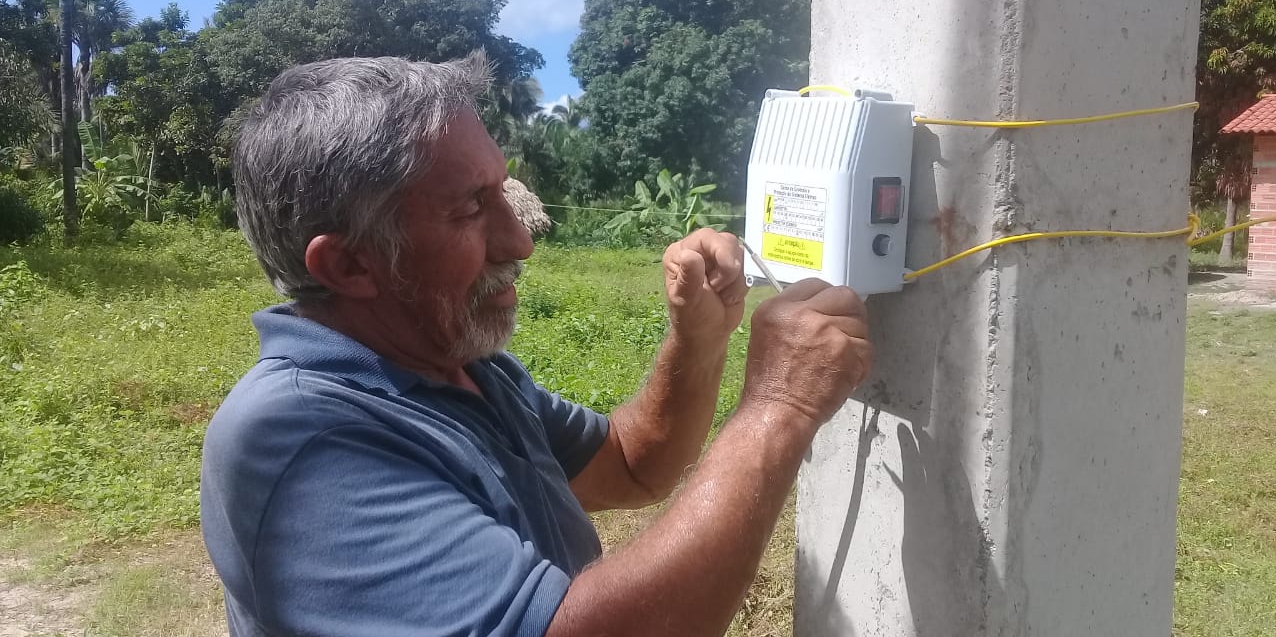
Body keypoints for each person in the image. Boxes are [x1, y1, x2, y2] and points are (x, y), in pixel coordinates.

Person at [200, 52, 873, 637]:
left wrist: (698, 341)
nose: (520, 241)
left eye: (502, 192)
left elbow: (631, 466)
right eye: (468, 209)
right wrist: (777, 408)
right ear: (350, 266)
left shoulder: (461, 369)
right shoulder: (299, 438)